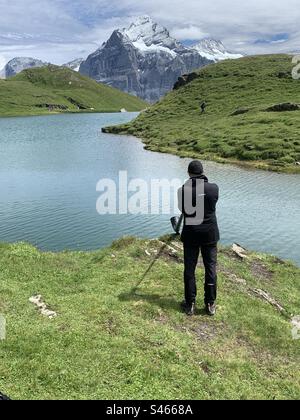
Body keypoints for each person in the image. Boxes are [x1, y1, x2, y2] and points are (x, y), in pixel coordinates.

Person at [178, 160, 220, 316]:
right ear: (203, 172)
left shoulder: (183, 190)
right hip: (209, 234)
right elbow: (211, 204)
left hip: (191, 235)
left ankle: (190, 304)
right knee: (210, 268)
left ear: (189, 173)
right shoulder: (214, 188)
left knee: (190, 269)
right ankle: (210, 304)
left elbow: (183, 210)